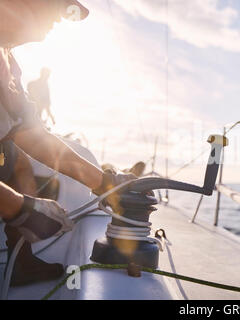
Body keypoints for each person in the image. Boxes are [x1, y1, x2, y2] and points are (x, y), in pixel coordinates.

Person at [0, 0, 155, 287]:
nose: (61, 18)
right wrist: (17, 207)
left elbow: (29, 134)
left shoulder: (8, 61)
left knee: (15, 158)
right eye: (57, 6)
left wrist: (105, 182)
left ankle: (20, 264)